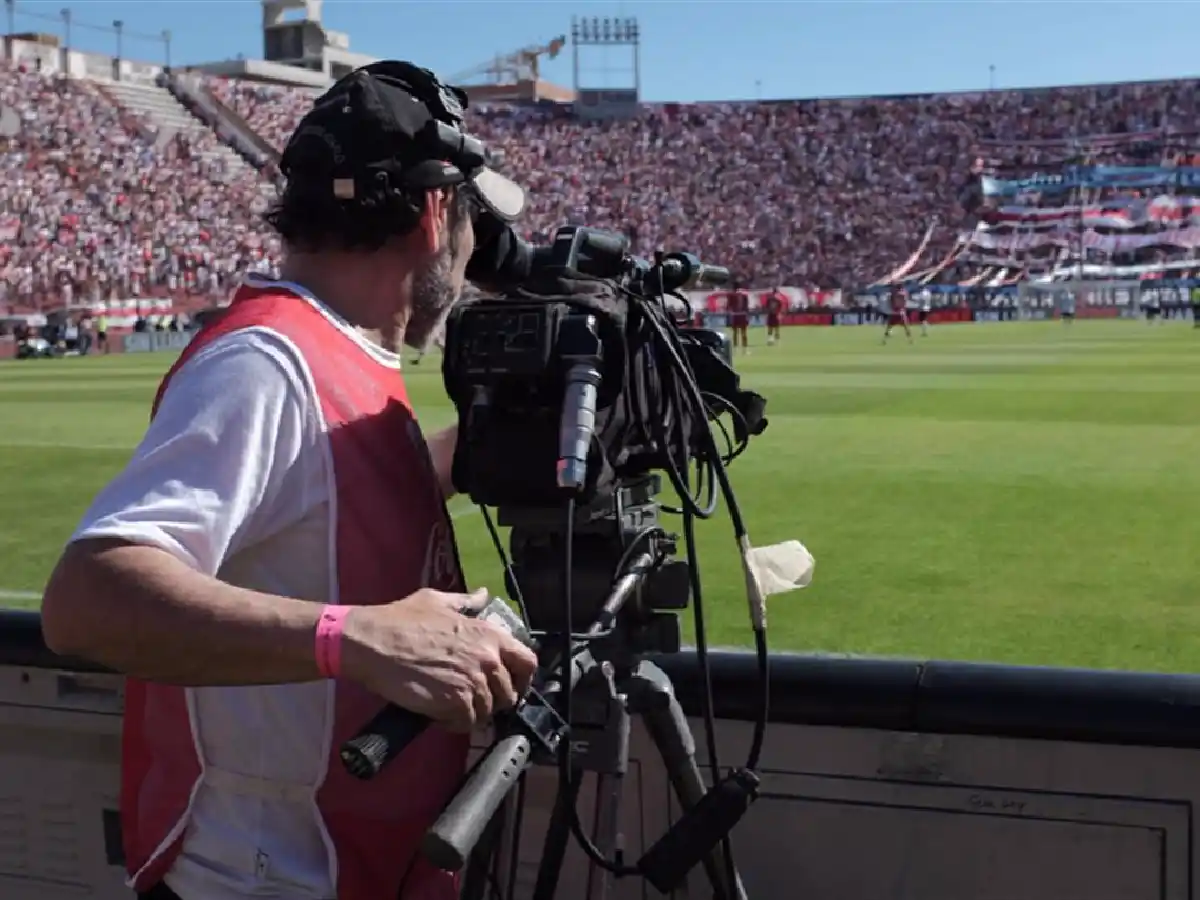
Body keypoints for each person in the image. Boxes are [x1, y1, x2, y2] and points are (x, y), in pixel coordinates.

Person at [39, 61, 539, 900]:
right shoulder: (267, 361)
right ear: (434, 211)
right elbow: (85, 600)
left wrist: (501, 444)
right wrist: (361, 637)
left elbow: (334, 494)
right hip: (268, 879)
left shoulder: (331, 348)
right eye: (472, 223)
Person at [727, 284, 750, 353]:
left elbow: (729, 305)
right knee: (744, 332)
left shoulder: (731, 295)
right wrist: (747, 314)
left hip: (735, 315)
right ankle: (745, 349)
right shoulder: (744, 294)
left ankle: (735, 349)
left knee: (735, 333)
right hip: (742, 314)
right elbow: (747, 305)